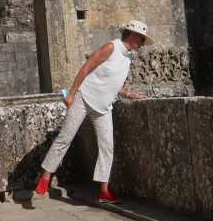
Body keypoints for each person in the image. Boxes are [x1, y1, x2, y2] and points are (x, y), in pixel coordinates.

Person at [34, 20, 153, 203]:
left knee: (107, 148)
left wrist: (128, 93)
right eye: (142, 38)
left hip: (104, 106)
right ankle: (45, 176)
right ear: (132, 35)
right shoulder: (111, 47)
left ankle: (104, 191)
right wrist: (71, 95)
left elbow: (113, 81)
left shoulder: (129, 57)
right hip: (84, 97)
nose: (143, 43)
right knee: (65, 137)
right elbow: (86, 68)